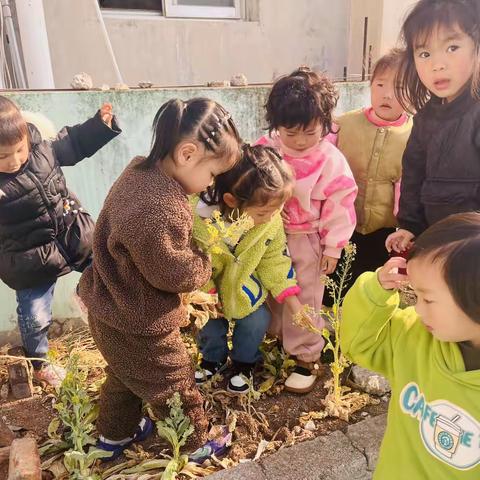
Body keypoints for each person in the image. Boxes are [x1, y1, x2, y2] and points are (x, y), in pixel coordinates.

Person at [79, 98, 242, 459]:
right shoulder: (157, 209)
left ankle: (115, 436)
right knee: (173, 379)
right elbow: (172, 272)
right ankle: (196, 442)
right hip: (138, 320)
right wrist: (202, 262)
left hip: (109, 306)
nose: (208, 184)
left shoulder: (139, 171)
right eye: (212, 173)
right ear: (187, 154)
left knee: (125, 375)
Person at [341, 211, 480, 479]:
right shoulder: (415, 336)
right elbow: (359, 344)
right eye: (414, 295)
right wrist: (376, 290)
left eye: (428, 299)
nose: (416, 309)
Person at [0, 96, 120, 386]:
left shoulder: (44, 151)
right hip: (29, 259)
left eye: (19, 149)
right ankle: (40, 363)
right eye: (3, 156)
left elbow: (75, 142)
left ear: (27, 137)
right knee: (34, 314)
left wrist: (99, 125)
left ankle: (91, 299)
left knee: (106, 270)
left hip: (73, 235)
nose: (15, 160)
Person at [256, 67, 357, 393]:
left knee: (305, 295)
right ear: (276, 126)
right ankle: (281, 338)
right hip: (268, 234)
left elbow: (340, 204)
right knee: (273, 291)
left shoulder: (330, 160)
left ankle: (306, 357)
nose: (299, 141)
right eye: (290, 133)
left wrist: (333, 248)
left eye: (309, 133)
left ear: (325, 125)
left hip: (306, 238)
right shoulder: (266, 150)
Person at [193, 144, 303, 394]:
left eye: (277, 209)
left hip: (244, 289)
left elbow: (274, 259)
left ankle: (244, 363)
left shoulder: (269, 222)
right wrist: (206, 295)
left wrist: (292, 301)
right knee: (209, 326)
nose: (272, 217)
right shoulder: (197, 219)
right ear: (231, 200)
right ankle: (213, 360)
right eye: (264, 212)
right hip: (206, 291)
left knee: (257, 320)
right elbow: (190, 260)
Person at [386, 0, 480, 254]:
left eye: (452, 47)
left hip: (471, 249)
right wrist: (409, 225)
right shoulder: (426, 117)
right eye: (424, 53)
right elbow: (413, 174)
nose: (437, 64)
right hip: (436, 243)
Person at [332, 49, 412, 291]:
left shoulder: (416, 135)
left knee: (372, 287)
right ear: (370, 85)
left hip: (384, 232)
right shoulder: (342, 125)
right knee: (335, 286)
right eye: (380, 84)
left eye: (399, 87)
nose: (387, 94)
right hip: (341, 226)